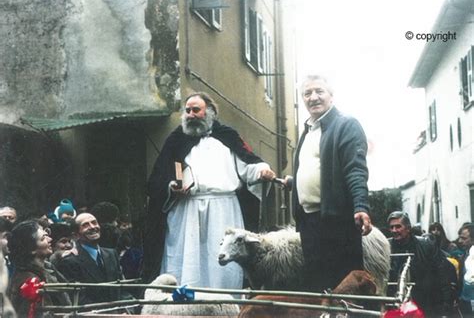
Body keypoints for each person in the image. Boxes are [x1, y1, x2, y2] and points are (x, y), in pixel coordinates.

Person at [142, 91, 276, 287]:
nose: (191, 114)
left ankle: (225, 308)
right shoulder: (176, 140)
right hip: (186, 212)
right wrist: (172, 187)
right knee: (187, 262)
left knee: (221, 263)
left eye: (196, 110)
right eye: (187, 110)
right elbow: (159, 178)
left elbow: (248, 164)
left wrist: (262, 170)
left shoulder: (227, 136)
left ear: (210, 112)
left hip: (223, 210)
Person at [288, 75, 372, 292]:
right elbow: (318, 172)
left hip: (338, 222)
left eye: (319, 91)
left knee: (346, 289)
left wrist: (361, 206)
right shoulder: (307, 132)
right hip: (309, 223)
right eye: (307, 93)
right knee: (318, 289)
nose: (313, 97)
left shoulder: (346, 125)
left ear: (331, 96)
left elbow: (355, 170)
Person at [56, 213, 133, 306]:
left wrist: (128, 309)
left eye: (94, 222)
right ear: (76, 235)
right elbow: (78, 299)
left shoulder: (112, 254)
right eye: (85, 225)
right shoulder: (70, 261)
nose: (92, 227)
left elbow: (122, 289)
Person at [387, 211, 454, 316]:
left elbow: (443, 276)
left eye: (398, 226)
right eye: (391, 227)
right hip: (397, 303)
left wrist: (446, 308)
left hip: (426, 303)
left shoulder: (427, 245)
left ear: (408, 228)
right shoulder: (386, 247)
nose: (394, 230)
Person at [7, 220, 71, 317]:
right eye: (43, 238)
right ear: (31, 249)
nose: (50, 239)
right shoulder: (30, 280)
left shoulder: (48, 269)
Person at [457, 223, 474, 315]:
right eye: (460, 238)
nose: (459, 241)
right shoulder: (464, 255)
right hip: (465, 300)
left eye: (464, 238)